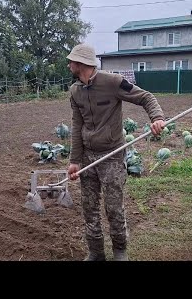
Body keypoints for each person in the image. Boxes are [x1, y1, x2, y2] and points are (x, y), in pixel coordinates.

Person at [66, 43, 166, 261]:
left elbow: (146, 97)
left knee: (114, 208)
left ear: (81, 63)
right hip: (88, 157)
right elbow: (76, 125)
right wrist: (75, 160)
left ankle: (120, 252)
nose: (68, 64)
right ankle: (96, 252)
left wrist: (157, 118)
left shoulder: (112, 82)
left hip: (112, 155)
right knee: (89, 208)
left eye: (71, 61)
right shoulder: (75, 91)